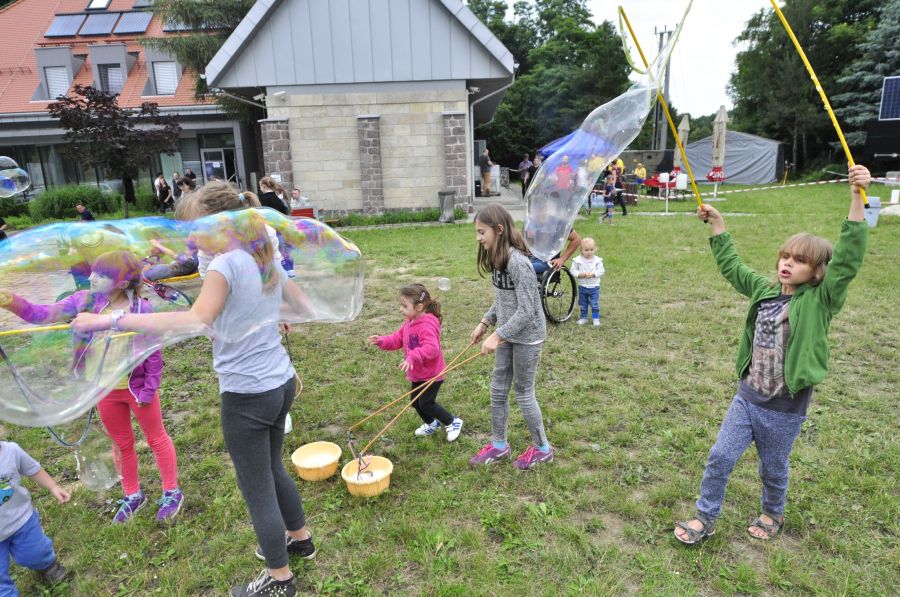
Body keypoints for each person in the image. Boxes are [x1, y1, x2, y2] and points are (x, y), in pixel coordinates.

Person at [72, 181, 315, 597]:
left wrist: (106, 322)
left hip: (246, 396)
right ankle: (301, 539)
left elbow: (193, 321)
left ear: (220, 224)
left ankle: (280, 579)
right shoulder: (261, 257)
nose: (189, 237)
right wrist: (256, 317)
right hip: (279, 382)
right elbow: (302, 307)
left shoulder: (224, 266)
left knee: (256, 486)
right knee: (273, 468)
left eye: (194, 227)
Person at [673, 165, 871, 545]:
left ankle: (772, 512)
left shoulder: (821, 300)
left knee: (773, 467)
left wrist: (856, 197)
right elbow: (733, 267)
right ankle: (705, 516)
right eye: (785, 256)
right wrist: (718, 224)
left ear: (816, 272)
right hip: (747, 397)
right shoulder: (764, 291)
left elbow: (847, 260)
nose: (787, 263)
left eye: (798, 260)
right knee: (720, 457)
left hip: (785, 406)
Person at [0, 251, 184, 524]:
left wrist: (148, 389)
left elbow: (153, 355)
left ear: (121, 283)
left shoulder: (141, 309)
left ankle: (172, 491)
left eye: (100, 274)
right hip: (104, 390)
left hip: (137, 389)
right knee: (121, 445)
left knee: (156, 438)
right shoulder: (84, 301)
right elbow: (43, 315)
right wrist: (12, 302)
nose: (90, 277)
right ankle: (133, 494)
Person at [468, 204, 553, 470]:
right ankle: (499, 445)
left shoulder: (518, 263)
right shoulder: (496, 258)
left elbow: (528, 309)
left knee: (524, 393)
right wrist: (486, 321)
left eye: (482, 232)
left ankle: (542, 448)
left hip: (527, 336)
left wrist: (497, 335)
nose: (478, 238)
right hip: (506, 333)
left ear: (499, 230)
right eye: (477, 233)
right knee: (497, 390)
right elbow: (504, 300)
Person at [369, 284, 463, 441]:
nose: (401, 309)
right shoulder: (410, 321)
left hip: (432, 374)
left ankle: (452, 422)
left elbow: (432, 349)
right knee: (415, 402)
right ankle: (432, 423)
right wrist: (381, 340)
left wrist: (412, 357)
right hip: (418, 373)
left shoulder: (426, 325)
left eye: (404, 306)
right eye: (401, 305)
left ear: (419, 306)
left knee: (426, 403)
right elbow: (398, 338)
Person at [0, 441, 70, 595]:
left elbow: (33, 469)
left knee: (35, 553)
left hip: (21, 520)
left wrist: (53, 486)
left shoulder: (11, 451)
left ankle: (47, 565)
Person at [571, 237, 604, 326]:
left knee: (594, 304)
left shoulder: (597, 260)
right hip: (582, 286)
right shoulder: (577, 260)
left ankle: (595, 318)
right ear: (581, 250)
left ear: (595, 249)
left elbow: (601, 271)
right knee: (583, 303)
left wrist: (594, 274)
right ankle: (583, 317)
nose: (589, 252)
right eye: (586, 250)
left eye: (591, 250)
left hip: (594, 286)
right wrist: (579, 274)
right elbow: (573, 270)